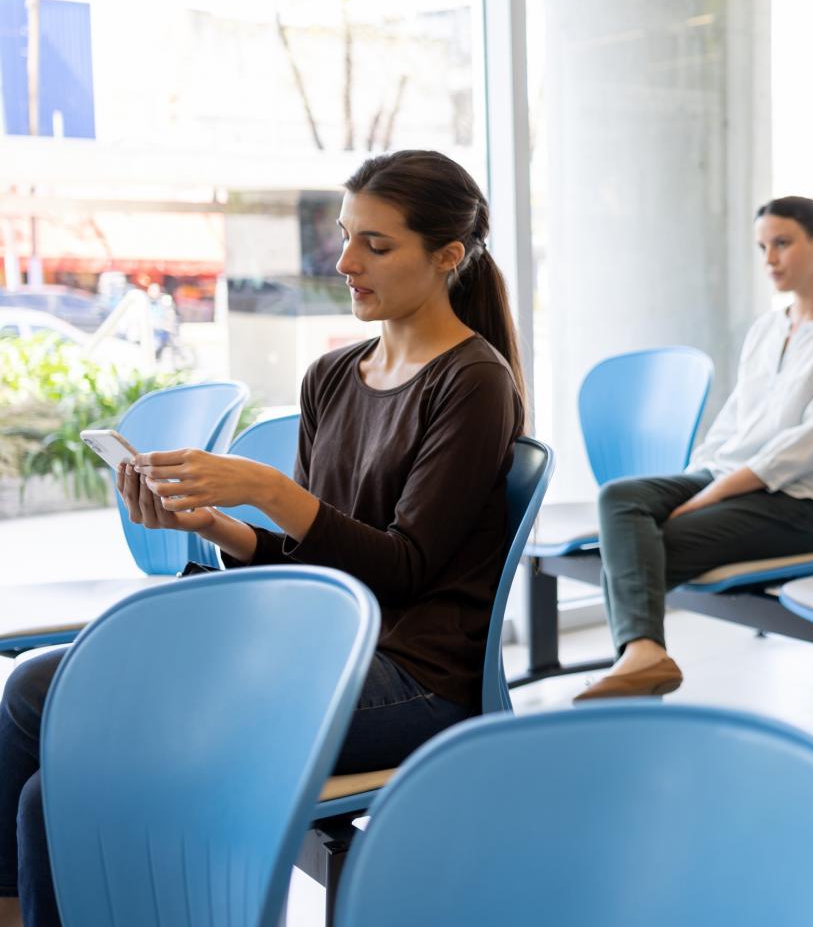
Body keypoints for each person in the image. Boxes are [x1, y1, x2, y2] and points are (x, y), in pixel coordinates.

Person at [2, 149, 527, 927]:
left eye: (375, 246)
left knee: (65, 786)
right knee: (33, 690)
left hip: (417, 675)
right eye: (346, 237)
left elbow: (403, 571)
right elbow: (325, 569)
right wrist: (214, 524)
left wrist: (268, 490)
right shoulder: (334, 377)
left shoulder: (473, 382)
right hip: (324, 645)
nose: (346, 261)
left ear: (447, 256)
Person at [576, 196, 813, 701]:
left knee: (636, 552)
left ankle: (638, 665)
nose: (770, 259)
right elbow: (732, 423)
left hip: (796, 504)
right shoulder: (768, 328)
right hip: (725, 473)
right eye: (763, 247)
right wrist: (698, 480)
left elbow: (808, 445)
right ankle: (644, 655)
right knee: (619, 499)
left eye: (782, 244)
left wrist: (711, 495)